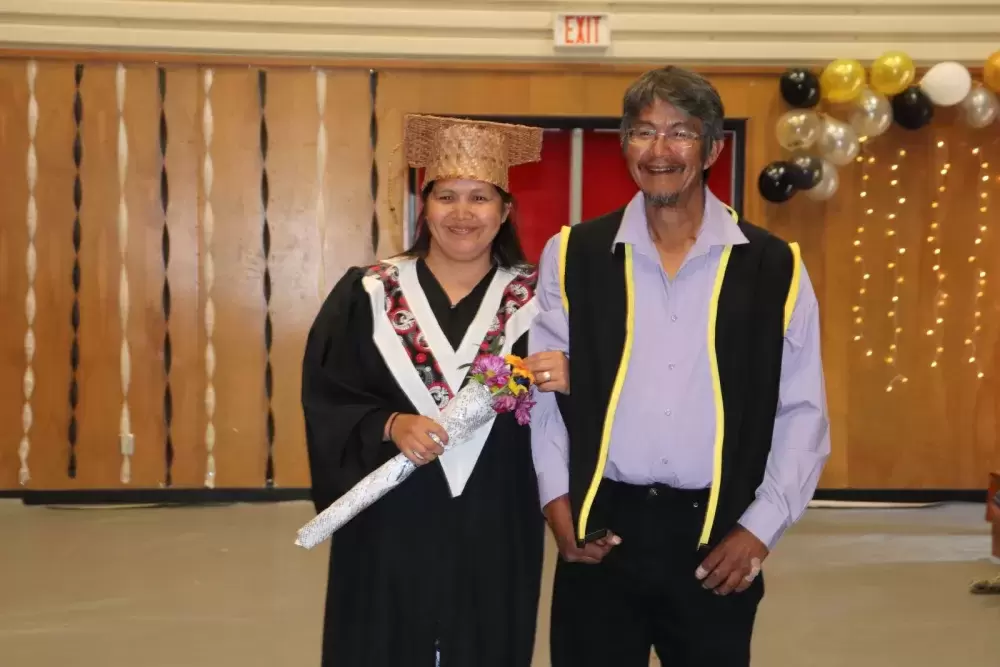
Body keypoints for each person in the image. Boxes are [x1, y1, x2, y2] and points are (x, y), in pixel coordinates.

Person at [529, 66, 831, 666]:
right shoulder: (573, 256)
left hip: (716, 538)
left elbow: (803, 411)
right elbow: (544, 388)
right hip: (600, 529)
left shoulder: (775, 268)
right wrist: (556, 500)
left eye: (680, 133)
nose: (659, 150)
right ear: (625, 146)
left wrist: (759, 528)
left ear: (713, 147)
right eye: (642, 132)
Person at [302, 114, 563, 666]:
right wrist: (390, 424)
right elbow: (327, 397)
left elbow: (582, 411)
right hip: (390, 516)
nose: (463, 214)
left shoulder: (541, 303)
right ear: (425, 206)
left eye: (480, 198)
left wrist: (571, 379)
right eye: (447, 196)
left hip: (497, 515)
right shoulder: (369, 293)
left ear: (505, 210)